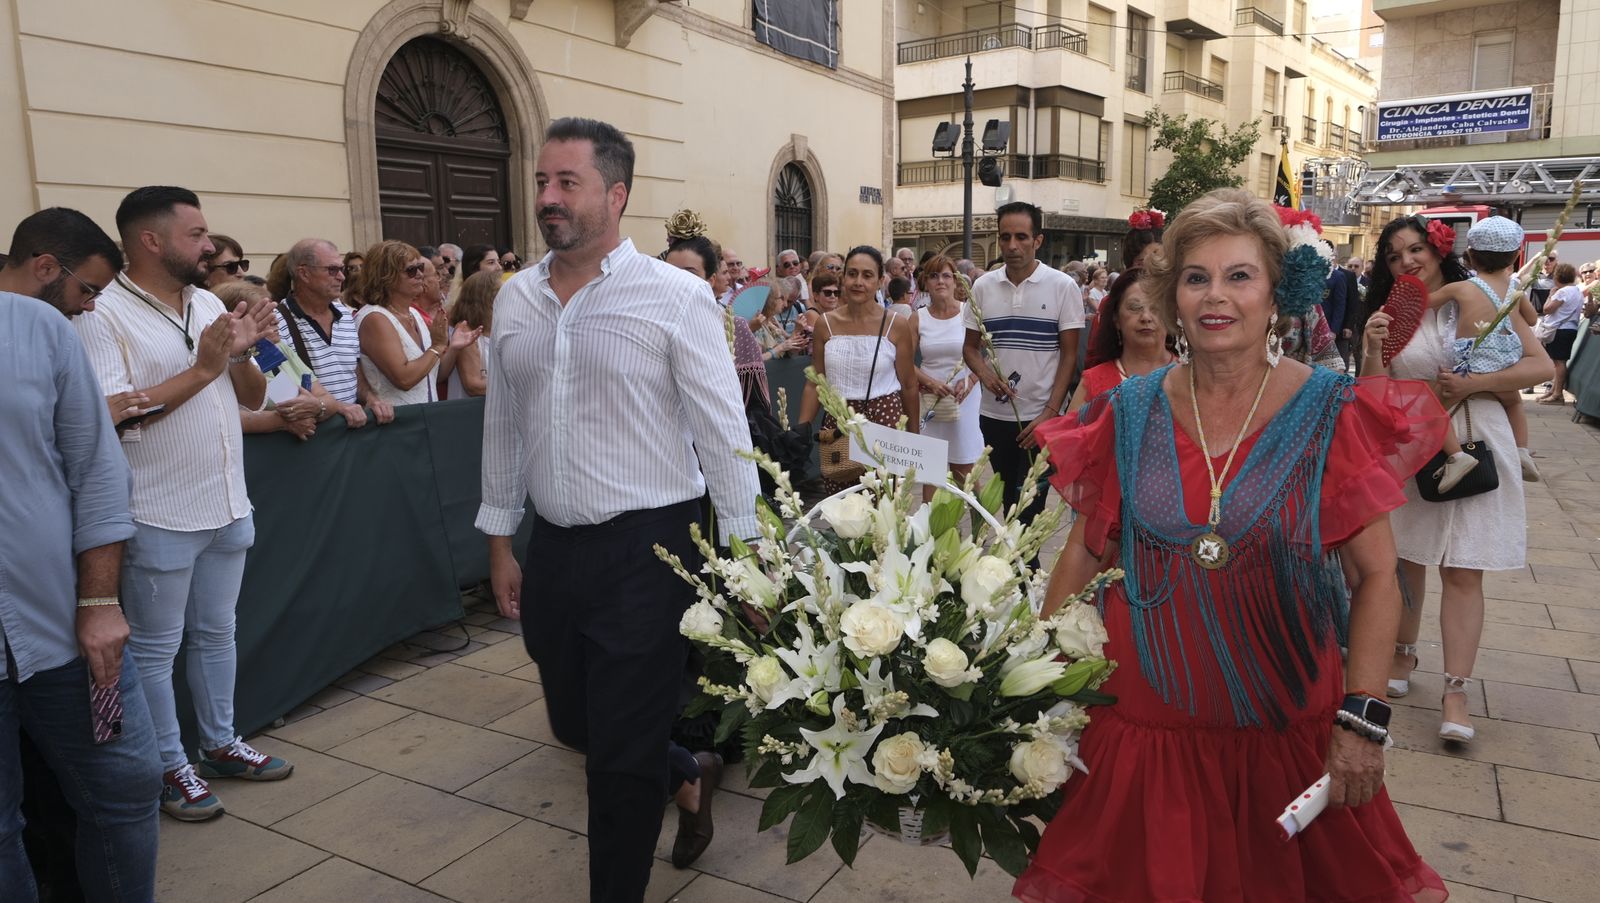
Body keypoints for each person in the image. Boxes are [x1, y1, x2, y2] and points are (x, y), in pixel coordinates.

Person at [1018, 188, 1450, 903]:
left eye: (1239, 275)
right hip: (1142, 729)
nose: (1215, 295)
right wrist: (1034, 685)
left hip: (1283, 728)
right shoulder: (1127, 409)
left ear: (1277, 292)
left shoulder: (1329, 410)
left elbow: (1378, 577)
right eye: (1197, 277)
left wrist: (1365, 715)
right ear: (1174, 296)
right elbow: (1085, 555)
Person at [479, 118, 759, 903]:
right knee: (577, 726)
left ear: (616, 194)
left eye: (567, 182)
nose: (547, 196)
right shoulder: (515, 300)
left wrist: (748, 559)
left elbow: (723, 434)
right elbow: (503, 423)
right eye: (542, 180)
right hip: (554, 549)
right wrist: (499, 541)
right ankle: (687, 773)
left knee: (619, 761)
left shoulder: (676, 296)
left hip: (651, 551)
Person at [73, 186, 293, 822]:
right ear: (151, 241)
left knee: (218, 633)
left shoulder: (207, 302)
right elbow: (115, 414)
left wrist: (242, 353)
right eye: (196, 234)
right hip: (157, 508)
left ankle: (220, 744)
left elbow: (250, 397)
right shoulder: (101, 313)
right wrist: (202, 367)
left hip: (226, 499)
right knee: (155, 650)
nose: (209, 245)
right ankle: (169, 766)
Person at [0, 208, 163, 902]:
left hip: (66, 632)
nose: (91, 305)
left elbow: (97, 469)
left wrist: (99, 601)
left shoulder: (37, 328)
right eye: (88, 289)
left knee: (127, 786)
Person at [1361, 213, 1552, 743]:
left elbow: (1539, 367)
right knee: (1407, 561)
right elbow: (1373, 390)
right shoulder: (1392, 315)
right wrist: (1373, 349)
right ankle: (1402, 655)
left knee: (1465, 570)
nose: (1406, 262)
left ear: (1439, 250)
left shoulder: (1482, 297)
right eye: (1394, 256)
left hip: (1481, 439)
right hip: (1416, 445)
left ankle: (1456, 691)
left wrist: (1473, 384)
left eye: (1415, 249)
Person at [963, 201, 1084, 526]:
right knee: (1007, 501)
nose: (1012, 246)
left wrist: (1051, 413)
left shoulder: (1062, 286)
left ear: (1037, 240)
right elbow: (970, 349)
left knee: (1029, 505)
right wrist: (986, 375)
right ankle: (1013, 557)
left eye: (1021, 237)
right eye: (1005, 237)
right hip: (994, 416)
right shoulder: (982, 287)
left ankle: (1023, 558)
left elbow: (1069, 355)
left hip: (1041, 419)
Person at [1411, 217, 1538, 492]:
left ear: (1469, 255)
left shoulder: (1463, 287)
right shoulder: (1516, 288)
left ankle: (1457, 456)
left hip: (1471, 363)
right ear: (1515, 256)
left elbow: (1425, 303)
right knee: (1514, 403)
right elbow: (1531, 319)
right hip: (1504, 362)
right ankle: (1522, 451)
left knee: (1433, 409)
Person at [798, 246, 920, 494]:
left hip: (885, 420)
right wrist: (801, 429)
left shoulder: (896, 324)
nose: (858, 282)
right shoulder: (825, 324)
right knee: (841, 506)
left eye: (867, 275)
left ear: (880, 281)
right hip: (838, 423)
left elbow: (909, 384)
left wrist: (914, 438)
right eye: (852, 274)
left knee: (885, 506)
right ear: (843, 278)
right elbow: (815, 382)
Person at [353, 240, 478, 407]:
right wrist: (437, 346)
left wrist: (454, 347)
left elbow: (434, 375)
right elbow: (404, 379)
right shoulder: (375, 317)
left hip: (426, 414)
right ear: (387, 277)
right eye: (411, 270)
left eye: (420, 268)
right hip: (397, 418)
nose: (420, 275)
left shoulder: (414, 314)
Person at [277, 238, 373, 421]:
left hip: (352, 429)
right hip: (311, 431)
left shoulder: (345, 314)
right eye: (332, 270)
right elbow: (279, 390)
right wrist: (336, 407)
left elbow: (353, 373)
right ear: (304, 274)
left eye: (342, 269)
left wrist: (371, 398)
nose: (342, 277)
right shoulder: (277, 322)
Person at [914, 255, 981, 496]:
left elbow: (987, 356)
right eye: (934, 276)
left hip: (965, 397)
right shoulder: (917, 317)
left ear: (955, 281)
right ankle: (929, 520)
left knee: (965, 468)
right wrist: (929, 382)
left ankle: (978, 518)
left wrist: (971, 380)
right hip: (931, 398)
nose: (940, 281)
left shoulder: (969, 312)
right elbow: (904, 362)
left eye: (946, 276)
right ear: (926, 282)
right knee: (931, 469)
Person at [1066, 266, 1173, 411]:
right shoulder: (1093, 381)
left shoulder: (1192, 377)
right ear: (1116, 318)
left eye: (1156, 308)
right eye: (1135, 307)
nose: (1146, 317)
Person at [1536, 262, 1584, 404]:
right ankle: (1553, 391)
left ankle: (1557, 394)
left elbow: (1547, 309)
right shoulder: (1577, 291)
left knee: (1559, 363)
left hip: (1559, 330)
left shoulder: (1563, 292)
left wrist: (1550, 295)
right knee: (1559, 362)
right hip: (1570, 329)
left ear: (1558, 277)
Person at [445, 271, 497, 399]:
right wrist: (518, 382)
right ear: (487, 299)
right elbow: (473, 385)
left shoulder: (496, 327)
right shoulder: (465, 331)